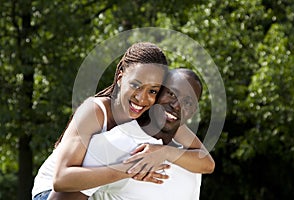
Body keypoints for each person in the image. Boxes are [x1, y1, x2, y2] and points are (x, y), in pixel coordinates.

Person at [49, 68, 215, 200]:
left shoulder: (191, 160)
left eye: (188, 102)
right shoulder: (114, 142)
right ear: (156, 95)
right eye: (171, 93)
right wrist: (131, 169)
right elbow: (61, 187)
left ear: (193, 111)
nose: (177, 105)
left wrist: (164, 153)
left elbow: (208, 164)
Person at [32, 42, 169, 200]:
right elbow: (61, 179)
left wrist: (165, 152)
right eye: (135, 85)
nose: (141, 98)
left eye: (152, 91)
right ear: (119, 78)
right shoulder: (94, 111)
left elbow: (202, 160)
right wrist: (132, 169)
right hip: (49, 194)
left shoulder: (151, 117)